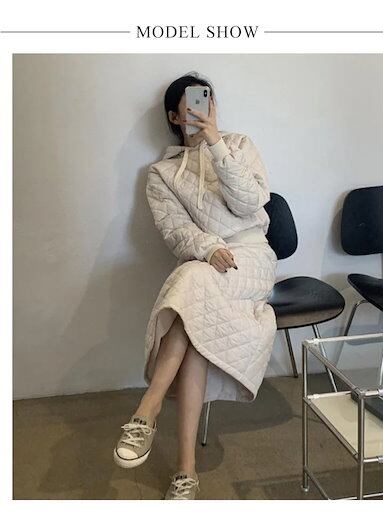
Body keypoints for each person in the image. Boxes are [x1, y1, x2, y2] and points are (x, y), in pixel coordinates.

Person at [113, 72, 278, 500]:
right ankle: (185, 471)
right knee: (194, 324)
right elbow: (176, 231)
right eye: (191, 105)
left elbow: (251, 203)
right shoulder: (162, 173)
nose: (202, 110)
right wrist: (208, 248)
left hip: (253, 258)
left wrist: (216, 143)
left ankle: (147, 411)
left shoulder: (239, 145)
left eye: (207, 101)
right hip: (209, 264)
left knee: (191, 284)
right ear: (174, 116)